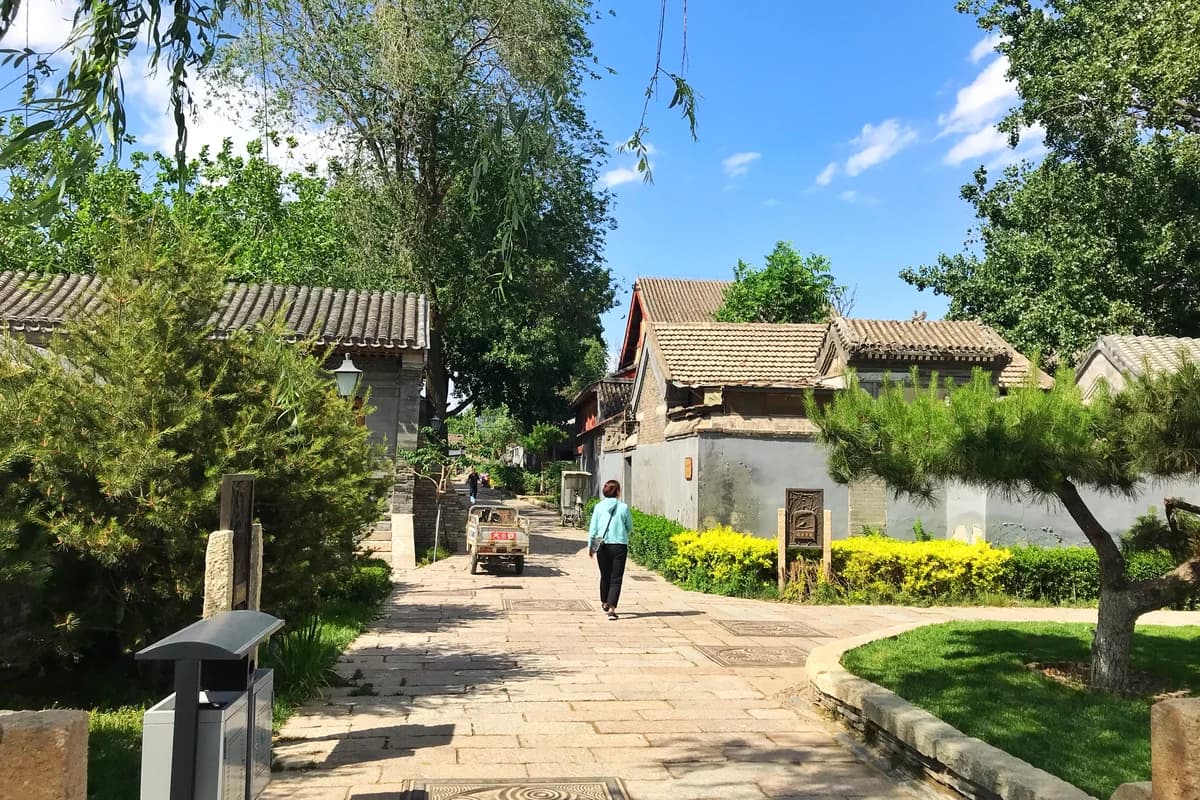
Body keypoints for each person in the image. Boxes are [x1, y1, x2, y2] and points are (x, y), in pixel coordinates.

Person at [588, 479, 633, 621]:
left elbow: (593, 529)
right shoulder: (624, 508)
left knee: (605, 575)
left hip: (602, 545)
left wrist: (591, 547)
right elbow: (629, 527)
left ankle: (604, 602)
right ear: (618, 492)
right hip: (619, 545)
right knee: (616, 578)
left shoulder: (598, 507)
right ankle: (612, 610)